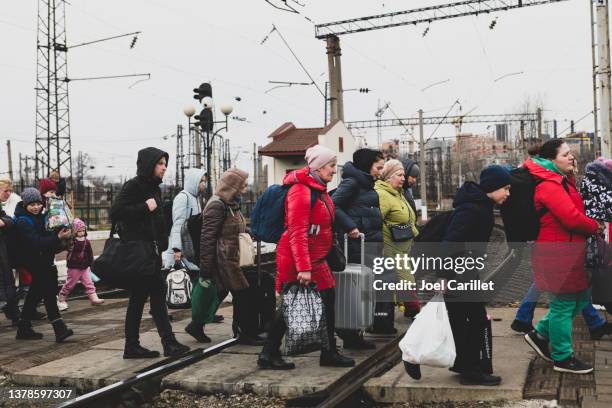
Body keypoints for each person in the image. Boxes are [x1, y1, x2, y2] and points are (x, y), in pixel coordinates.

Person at [258, 145, 355, 370]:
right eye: (331, 166)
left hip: (317, 259)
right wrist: (303, 268)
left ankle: (329, 351)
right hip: (298, 260)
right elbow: (297, 232)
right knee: (291, 305)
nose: (334, 170)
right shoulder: (301, 191)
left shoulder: (319, 189)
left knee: (328, 300)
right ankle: (269, 353)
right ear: (319, 167)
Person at [420, 165, 511, 385]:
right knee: (476, 319)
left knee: (461, 320)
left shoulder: (480, 205)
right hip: (458, 272)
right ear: (492, 187)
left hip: (463, 269)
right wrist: (443, 276)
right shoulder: (472, 209)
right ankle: (471, 372)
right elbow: (450, 242)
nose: (508, 193)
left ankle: (464, 363)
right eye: (506, 188)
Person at [522, 140, 602, 374]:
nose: (572, 158)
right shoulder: (548, 185)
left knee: (578, 300)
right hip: (557, 254)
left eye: (571, 154)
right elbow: (571, 218)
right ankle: (563, 357)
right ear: (551, 160)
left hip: (569, 252)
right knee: (563, 306)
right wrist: (594, 226)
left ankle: (539, 335)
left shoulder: (561, 181)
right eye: (566, 154)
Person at [110, 147, 190, 359]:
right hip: (139, 253)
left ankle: (140, 345)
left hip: (150, 252)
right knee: (149, 296)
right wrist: (145, 207)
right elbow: (115, 212)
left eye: (165, 164)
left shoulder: (154, 187)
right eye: (160, 163)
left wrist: (163, 243)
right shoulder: (134, 185)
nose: (164, 168)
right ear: (149, 165)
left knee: (148, 297)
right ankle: (163, 343)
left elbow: (156, 218)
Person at [194, 168, 263, 344]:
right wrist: (205, 269)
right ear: (233, 186)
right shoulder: (217, 205)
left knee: (220, 292)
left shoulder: (231, 203)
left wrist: (249, 232)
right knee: (243, 293)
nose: (246, 188)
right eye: (243, 185)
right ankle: (245, 334)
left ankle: (196, 325)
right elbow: (207, 238)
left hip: (232, 256)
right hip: (224, 258)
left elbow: (234, 227)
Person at [331, 148, 384, 350]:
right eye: (378, 167)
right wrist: (351, 226)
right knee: (355, 289)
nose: (380, 172)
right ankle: (349, 335)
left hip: (368, 243)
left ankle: (355, 333)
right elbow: (333, 205)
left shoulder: (366, 183)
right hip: (356, 245)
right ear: (366, 165)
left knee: (364, 288)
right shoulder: (352, 182)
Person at [13, 188, 73, 342]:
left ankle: (23, 328)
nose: (36, 207)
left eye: (38, 204)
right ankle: (59, 328)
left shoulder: (42, 217)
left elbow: (47, 241)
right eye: (32, 204)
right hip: (34, 261)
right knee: (48, 293)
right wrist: (56, 237)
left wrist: (62, 241)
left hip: (44, 260)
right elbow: (36, 243)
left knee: (35, 294)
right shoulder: (22, 221)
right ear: (25, 204)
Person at [373, 159, 420, 334]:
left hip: (402, 248)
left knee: (398, 285)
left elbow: (407, 216)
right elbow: (376, 221)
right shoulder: (382, 195)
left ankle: (388, 322)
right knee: (404, 283)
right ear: (388, 177)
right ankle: (414, 314)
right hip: (390, 248)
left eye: (403, 175)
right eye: (399, 175)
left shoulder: (397, 193)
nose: (403, 178)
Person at [581, 157, 612, 314]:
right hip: (592, 232)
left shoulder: (592, 178)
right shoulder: (598, 182)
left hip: (593, 231)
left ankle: (594, 321)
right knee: (593, 272)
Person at [164, 168, 206, 273]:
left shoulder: (195, 199)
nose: (204, 184)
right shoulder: (183, 198)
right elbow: (177, 226)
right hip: (181, 252)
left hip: (190, 248)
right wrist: (177, 250)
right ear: (193, 182)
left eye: (205, 181)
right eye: (201, 181)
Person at [57, 218, 104, 310]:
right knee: (70, 284)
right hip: (74, 266)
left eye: (83, 230)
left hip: (85, 266)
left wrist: (91, 263)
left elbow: (90, 253)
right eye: (79, 231)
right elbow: (65, 247)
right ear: (74, 231)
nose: (82, 233)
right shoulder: (71, 241)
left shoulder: (87, 241)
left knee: (89, 282)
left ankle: (94, 298)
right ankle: (61, 298)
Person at [0, 205, 18, 325]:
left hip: (2, 257)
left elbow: (10, 221)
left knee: (8, 285)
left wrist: (4, 222)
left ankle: (14, 314)